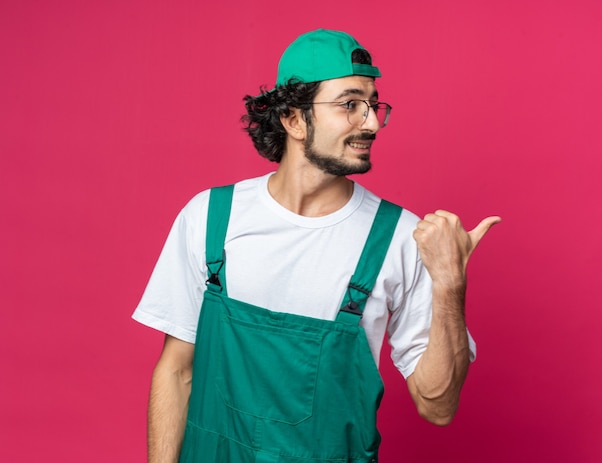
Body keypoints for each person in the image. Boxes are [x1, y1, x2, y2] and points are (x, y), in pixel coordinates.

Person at [133, 28, 500, 463]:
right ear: (292, 118)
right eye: (350, 105)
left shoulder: (400, 237)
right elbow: (177, 372)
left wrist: (450, 283)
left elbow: (437, 407)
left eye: (373, 105)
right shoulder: (211, 218)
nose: (371, 122)